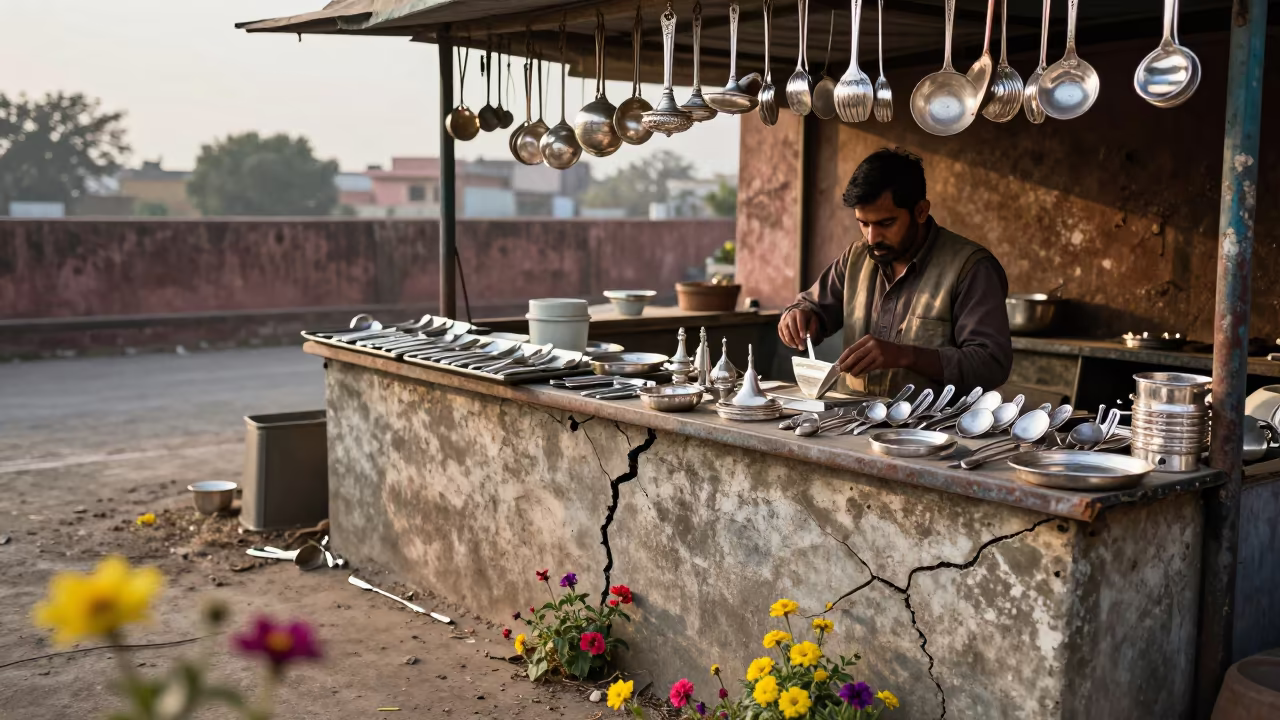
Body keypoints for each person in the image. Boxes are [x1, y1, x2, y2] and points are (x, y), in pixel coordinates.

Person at [778, 148, 1012, 398]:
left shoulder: (971, 268)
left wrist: (905, 355)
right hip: (850, 423)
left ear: (921, 211)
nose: (872, 237)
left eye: (886, 223)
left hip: (931, 431)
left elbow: (991, 364)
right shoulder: (856, 257)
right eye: (863, 223)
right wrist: (799, 316)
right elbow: (811, 307)